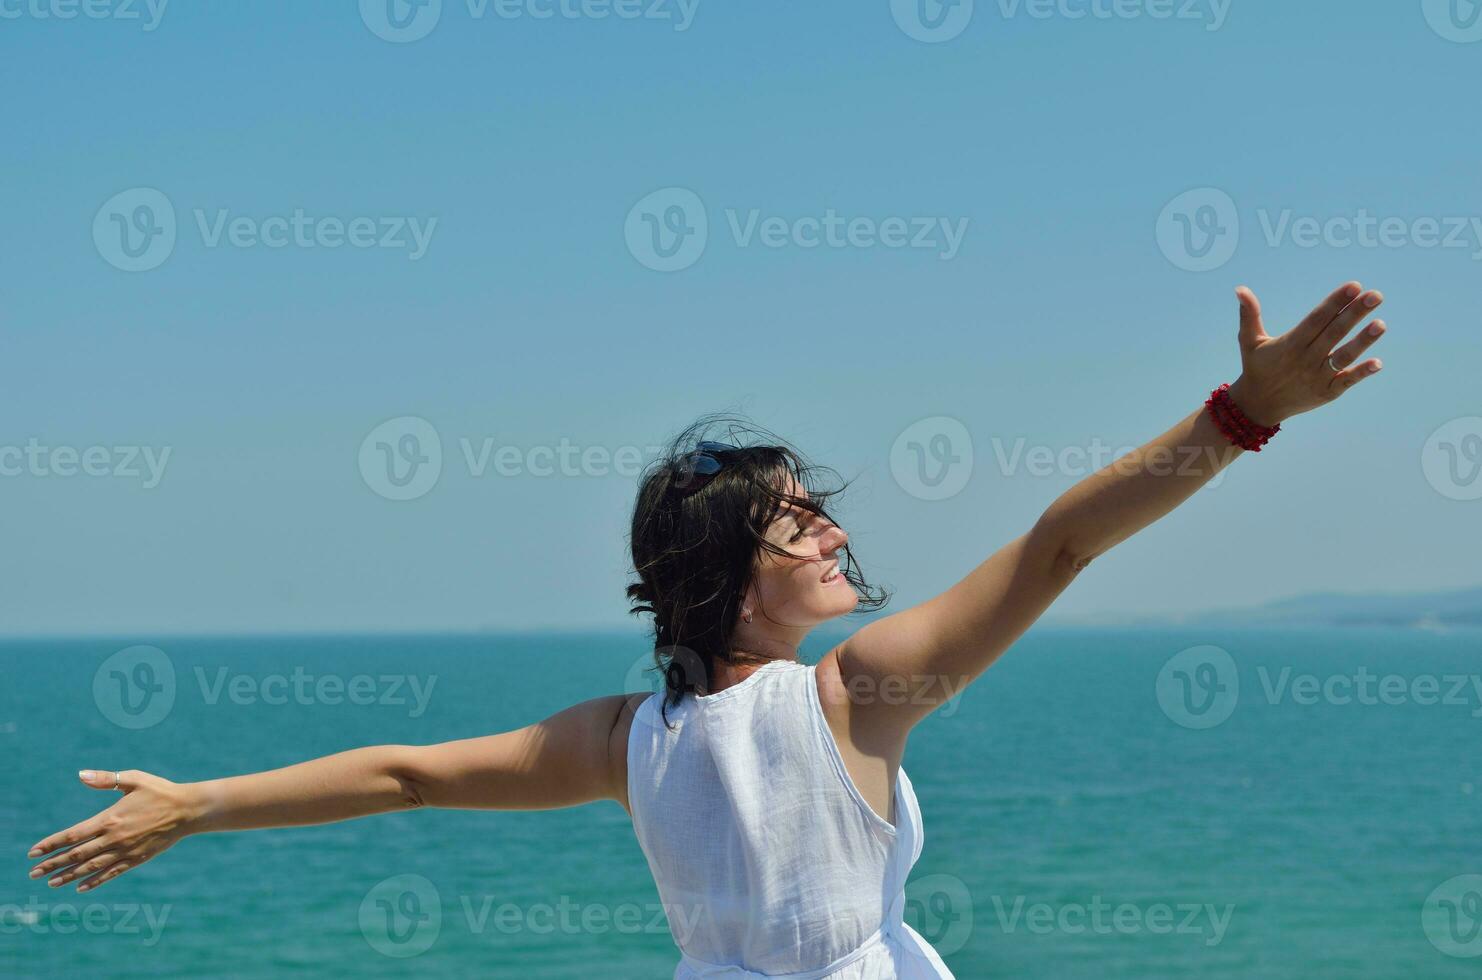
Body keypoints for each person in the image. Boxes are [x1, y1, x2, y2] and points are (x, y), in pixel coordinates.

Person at [28, 283, 1388, 977]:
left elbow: (404, 775)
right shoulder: (850, 694)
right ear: (731, 575)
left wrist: (197, 804)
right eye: (799, 524)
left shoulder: (632, 741)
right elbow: (1058, 544)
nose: (835, 535)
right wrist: (1237, 417)